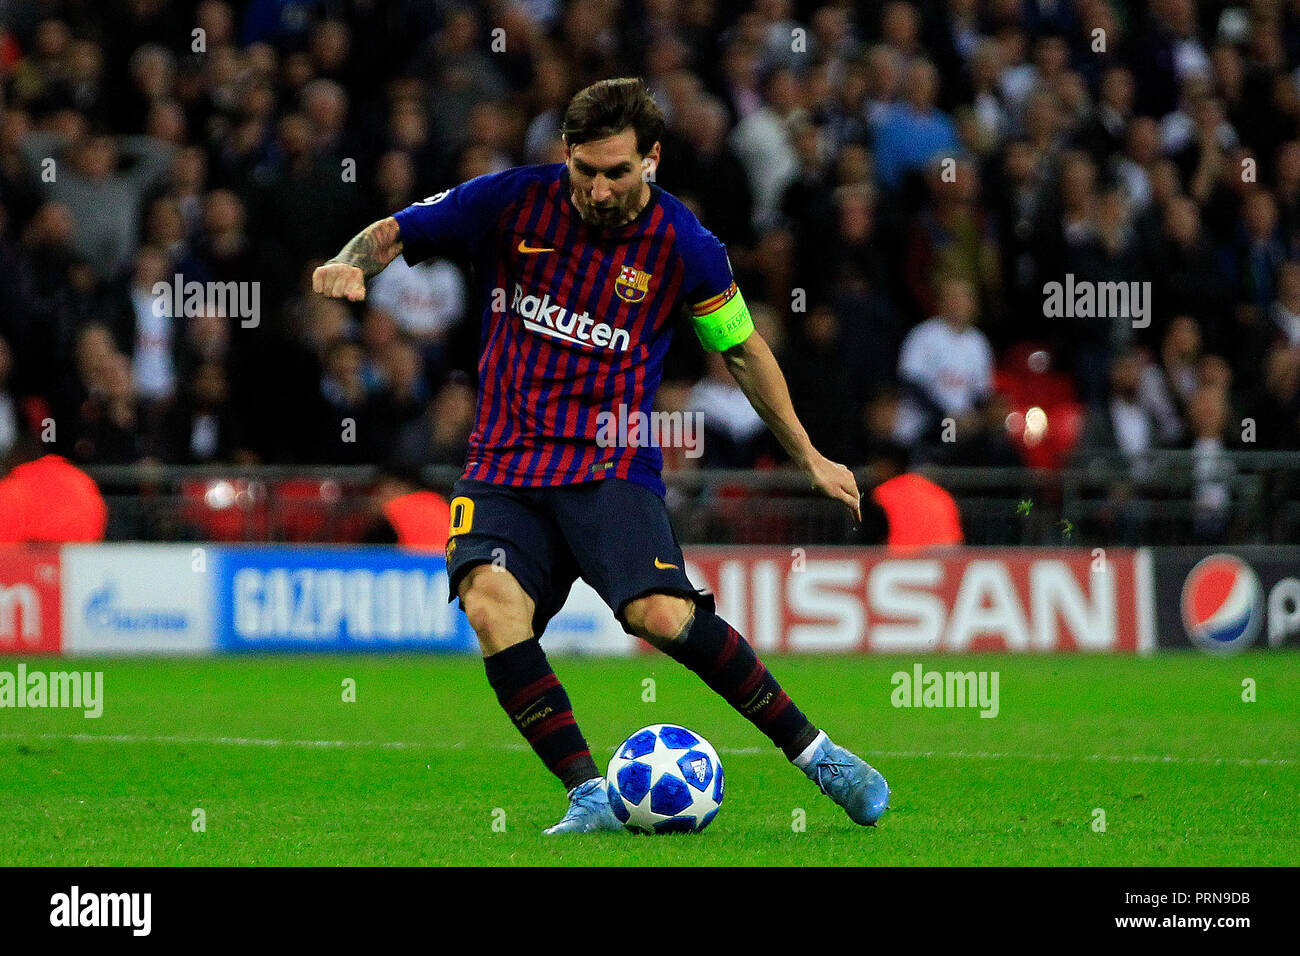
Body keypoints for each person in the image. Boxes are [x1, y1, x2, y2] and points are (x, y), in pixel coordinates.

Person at [312, 77, 888, 833]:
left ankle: (819, 755)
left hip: (609, 466)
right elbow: (395, 230)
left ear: (650, 160)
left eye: (617, 172)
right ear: (566, 155)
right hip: (503, 466)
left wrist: (808, 455)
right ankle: (588, 795)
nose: (599, 188)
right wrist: (352, 263)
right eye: (586, 170)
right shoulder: (513, 199)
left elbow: (744, 351)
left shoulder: (685, 246)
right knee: (490, 606)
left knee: (660, 616)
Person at [0, 436, 108, 542]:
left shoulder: (13, 489)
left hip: (35, 555)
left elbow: (5, 547)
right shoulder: (79, 480)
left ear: (13, 460)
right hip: (81, 553)